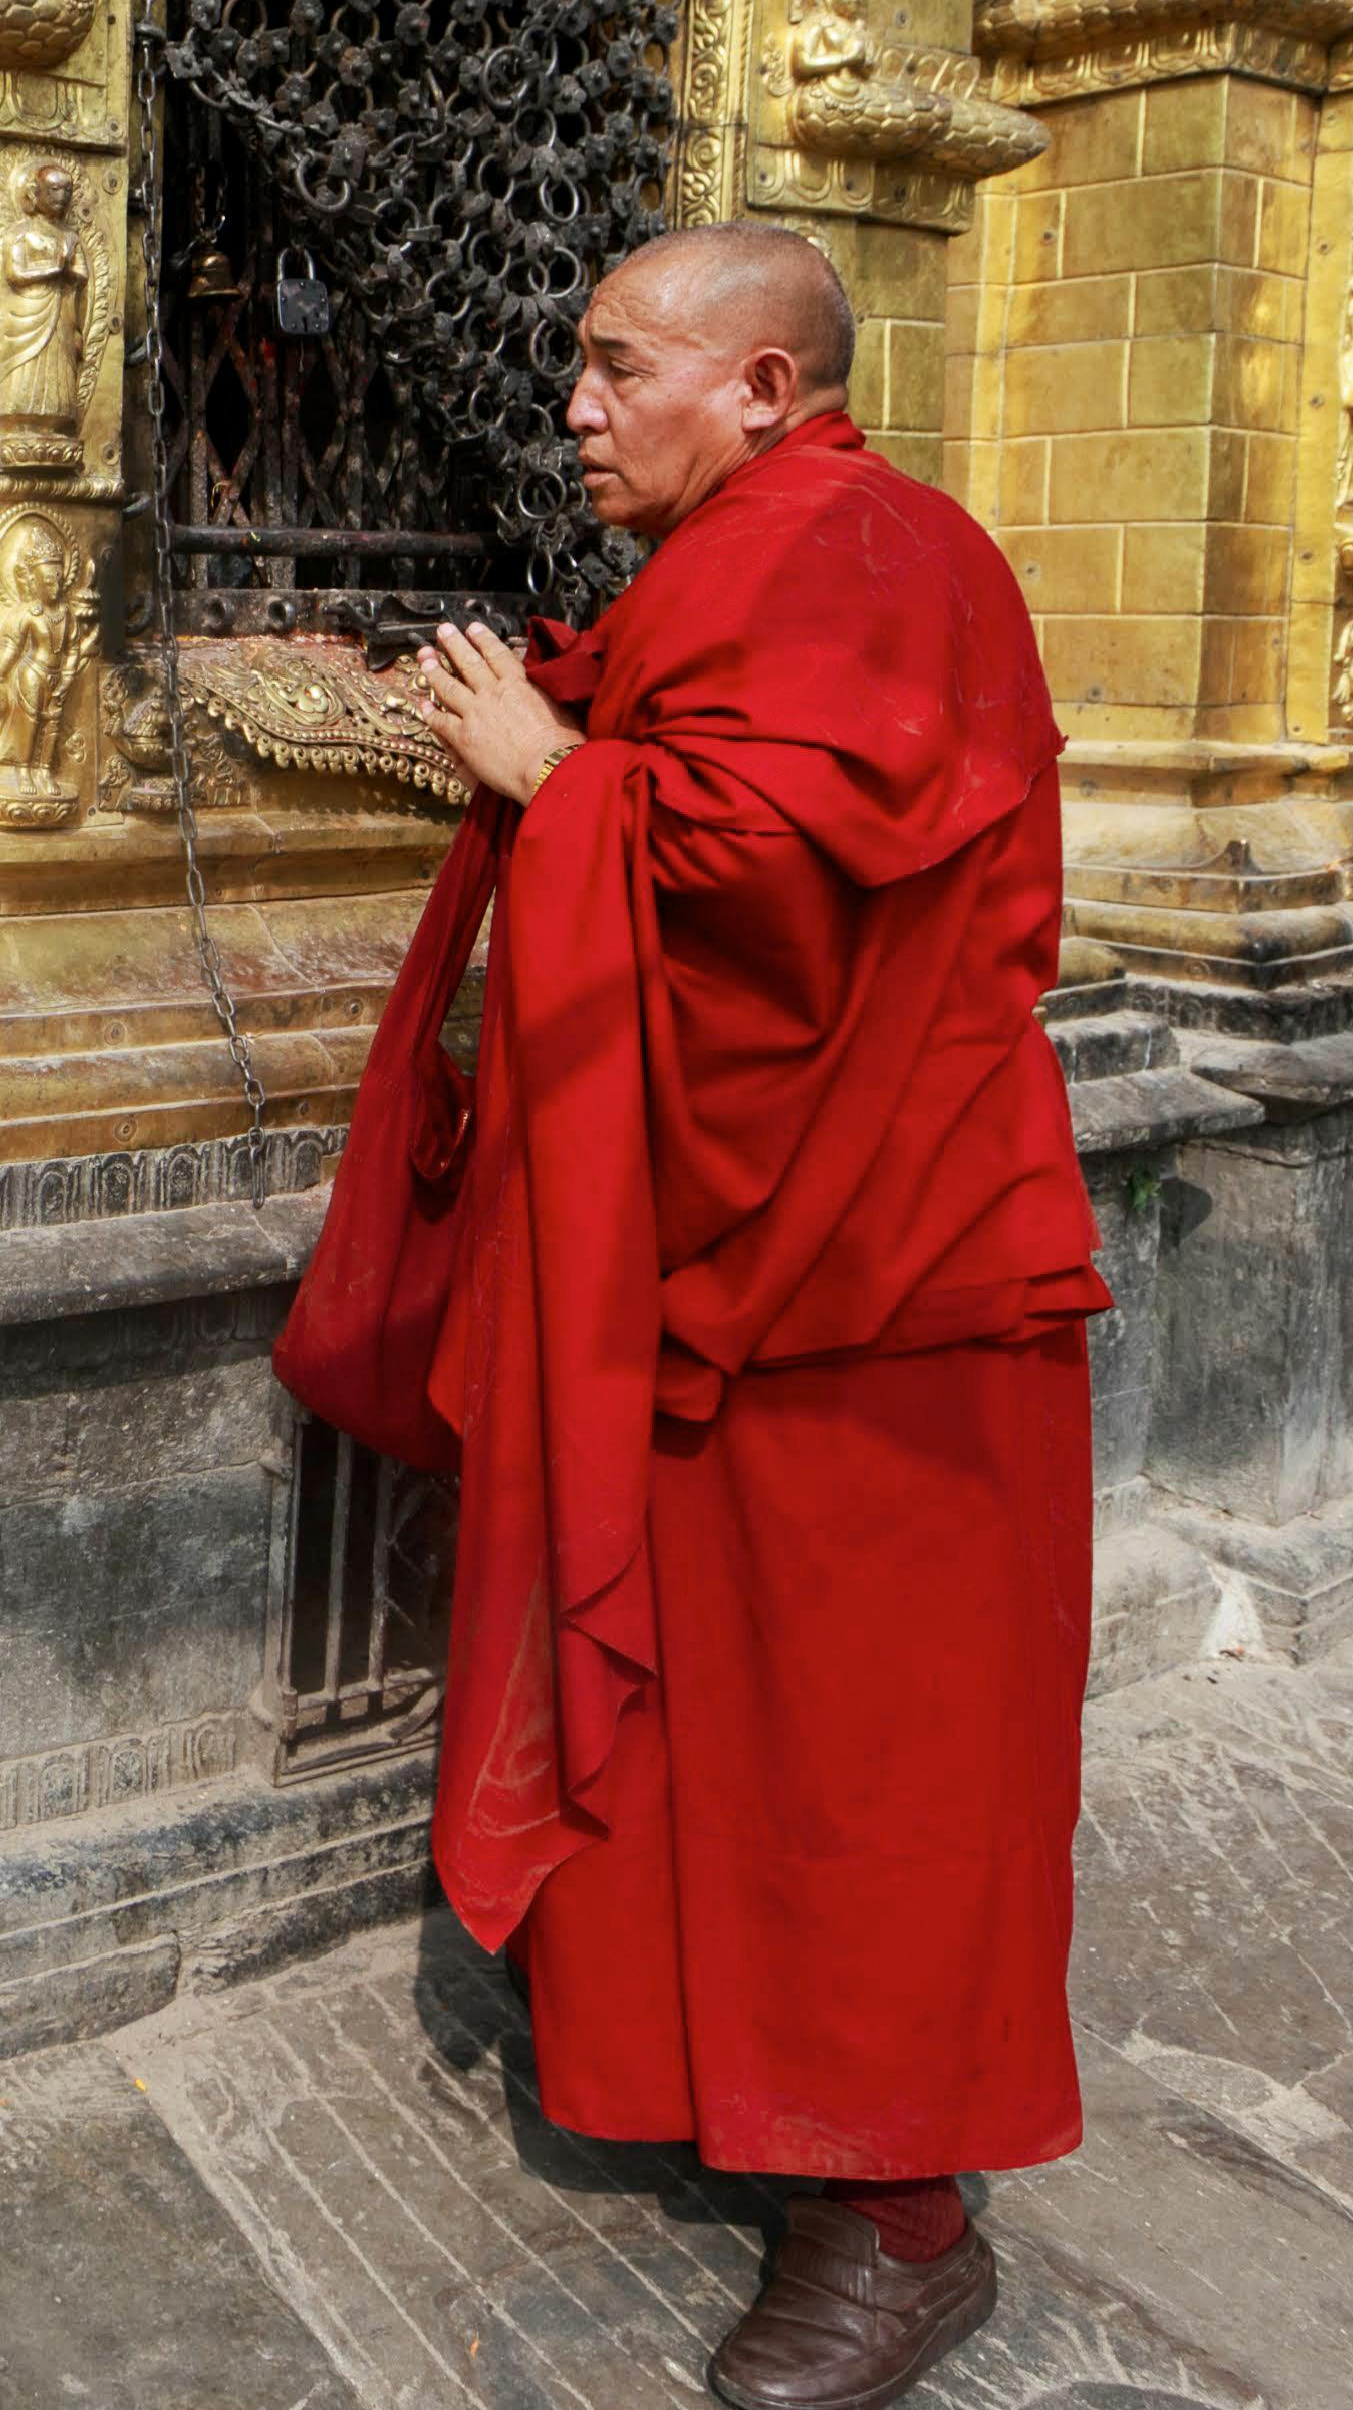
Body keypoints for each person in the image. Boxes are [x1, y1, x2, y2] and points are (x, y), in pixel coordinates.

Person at [279, 221, 1100, 2410]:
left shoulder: (863, 545)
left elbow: (774, 885)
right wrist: (569, 709)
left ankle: (902, 2222)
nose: (575, 404)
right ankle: (733, 2083)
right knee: (734, 1728)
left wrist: (555, 775)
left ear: (761, 384)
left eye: (616, 362)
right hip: (758, 1265)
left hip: (875, 1283)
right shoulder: (757, 556)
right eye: (580, 362)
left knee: (875, 1755)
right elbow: (730, 777)